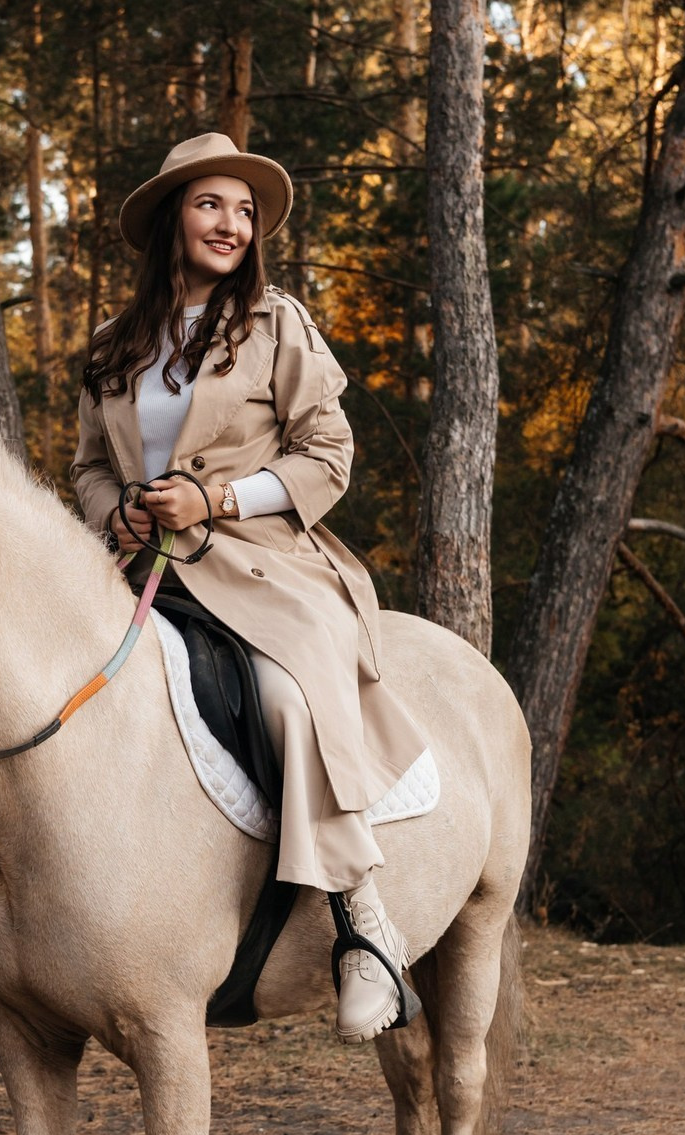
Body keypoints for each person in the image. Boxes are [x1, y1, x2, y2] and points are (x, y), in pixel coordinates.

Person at [72, 132, 426, 1043]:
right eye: (209, 204)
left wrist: (214, 495)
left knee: (282, 696)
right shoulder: (115, 346)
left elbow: (331, 455)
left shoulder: (277, 325)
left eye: (243, 210)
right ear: (172, 220)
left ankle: (363, 924)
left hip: (260, 564)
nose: (230, 224)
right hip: (138, 568)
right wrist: (119, 514)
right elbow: (86, 469)